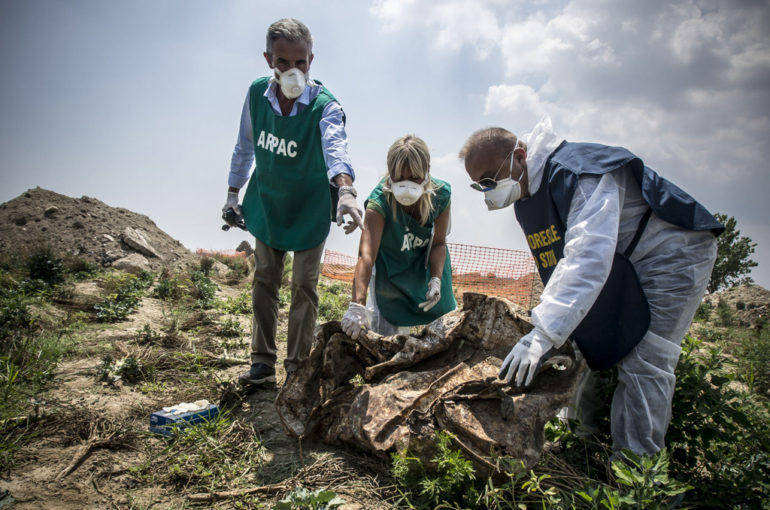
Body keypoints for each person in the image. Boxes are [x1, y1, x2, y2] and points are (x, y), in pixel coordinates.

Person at [458, 116, 723, 458]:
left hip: (671, 253)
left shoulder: (577, 172)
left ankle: (637, 476)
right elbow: (559, 265)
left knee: (646, 356)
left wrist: (543, 333)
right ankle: (582, 446)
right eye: (479, 185)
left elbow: (588, 254)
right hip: (620, 260)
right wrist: (559, 329)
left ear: (520, 156)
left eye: (490, 179)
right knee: (586, 346)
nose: (488, 190)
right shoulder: (527, 197)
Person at [223, 18, 364, 388]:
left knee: (304, 284)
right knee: (264, 281)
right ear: (269, 59)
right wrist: (233, 194)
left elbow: (337, 149)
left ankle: (298, 368)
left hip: (309, 208)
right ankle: (262, 364)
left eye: (300, 63)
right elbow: (245, 147)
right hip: (268, 204)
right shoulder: (257, 95)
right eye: (283, 62)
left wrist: (346, 191)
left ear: (311, 61)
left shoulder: (324, 106)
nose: (292, 70)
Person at [341, 134, 456, 339]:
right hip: (391, 274)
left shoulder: (441, 195)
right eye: (399, 178)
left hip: (426, 268)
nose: (406, 186)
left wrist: (436, 280)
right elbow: (366, 256)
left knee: (442, 337)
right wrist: (356, 305)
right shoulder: (379, 202)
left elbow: (438, 243)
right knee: (386, 339)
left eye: (414, 178)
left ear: (427, 172)